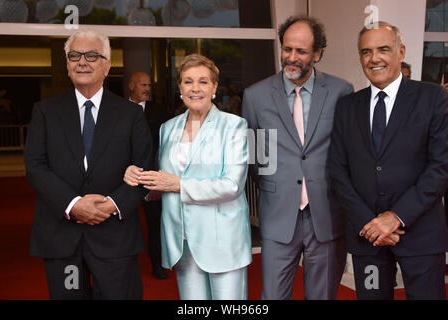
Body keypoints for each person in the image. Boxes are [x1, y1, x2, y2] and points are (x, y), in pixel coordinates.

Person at [24, 29, 153, 299]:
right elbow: (35, 166)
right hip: (62, 237)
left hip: (114, 237)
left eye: (92, 55)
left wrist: (110, 204)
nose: (82, 61)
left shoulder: (131, 115)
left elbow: (144, 167)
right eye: (74, 55)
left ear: (106, 65)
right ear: (67, 64)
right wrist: (74, 205)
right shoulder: (45, 111)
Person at [329, 21, 448, 300]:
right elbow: (337, 170)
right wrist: (369, 223)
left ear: (401, 51)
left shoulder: (432, 98)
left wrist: (395, 217)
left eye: (383, 49)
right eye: (366, 52)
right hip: (367, 238)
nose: (374, 59)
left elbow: (441, 166)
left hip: (420, 235)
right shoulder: (347, 106)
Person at [241, 15, 353, 300]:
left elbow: (347, 153)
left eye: (301, 51)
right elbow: (256, 159)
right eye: (287, 48)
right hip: (278, 216)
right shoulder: (256, 96)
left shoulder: (341, 92)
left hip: (326, 217)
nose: (291, 57)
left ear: (317, 54)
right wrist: (280, 185)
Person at [124, 53, 252, 300]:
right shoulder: (168, 128)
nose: (195, 88)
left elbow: (232, 185)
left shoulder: (233, 125)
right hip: (181, 241)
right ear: (180, 87)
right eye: (188, 81)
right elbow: (164, 182)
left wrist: (178, 184)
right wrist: (138, 178)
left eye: (203, 81)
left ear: (214, 86)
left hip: (221, 239)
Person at [128, 71, 169, 279]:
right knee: (123, 223)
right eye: (142, 85)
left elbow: (164, 145)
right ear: (131, 86)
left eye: (149, 85)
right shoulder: (118, 110)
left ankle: (157, 265)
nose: (147, 89)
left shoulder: (159, 111)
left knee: (155, 224)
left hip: (152, 176)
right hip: (123, 179)